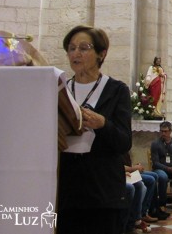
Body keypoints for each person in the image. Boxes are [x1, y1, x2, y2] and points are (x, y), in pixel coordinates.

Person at [57, 25, 132, 234]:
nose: (75, 53)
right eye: (71, 48)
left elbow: (125, 142)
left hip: (103, 192)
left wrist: (103, 124)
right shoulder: (60, 89)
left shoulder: (117, 90)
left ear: (102, 53)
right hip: (66, 191)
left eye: (83, 47)